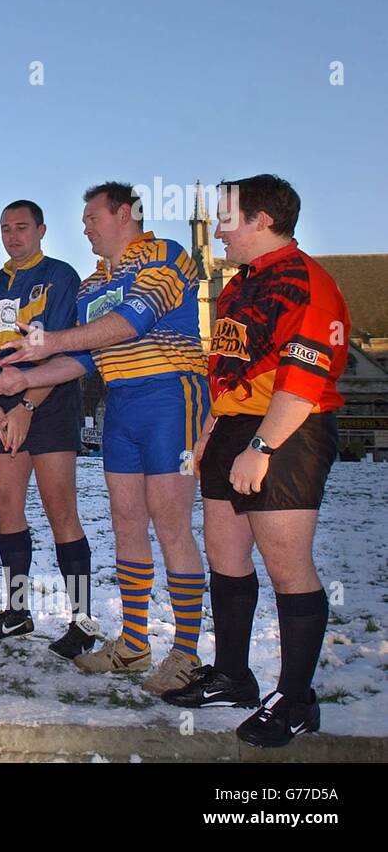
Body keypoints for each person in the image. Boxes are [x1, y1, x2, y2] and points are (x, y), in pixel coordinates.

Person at [0, 182, 209, 694]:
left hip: (171, 397)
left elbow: (131, 323)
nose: (84, 226)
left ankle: (186, 653)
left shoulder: (165, 257)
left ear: (126, 214)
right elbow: (84, 358)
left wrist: (48, 339)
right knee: (126, 521)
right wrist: (26, 378)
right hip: (122, 404)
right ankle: (133, 644)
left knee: (171, 522)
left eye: (92, 217)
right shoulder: (90, 286)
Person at [162, 175, 348, 748]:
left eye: (227, 218)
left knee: (286, 563)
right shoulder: (241, 284)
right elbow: (233, 369)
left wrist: (262, 447)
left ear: (262, 219)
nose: (216, 229)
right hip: (234, 426)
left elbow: (305, 378)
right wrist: (211, 432)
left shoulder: (305, 282)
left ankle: (297, 701)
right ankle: (234, 675)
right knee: (225, 550)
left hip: (289, 428)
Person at [0, 201, 97, 655]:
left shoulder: (60, 278)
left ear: (41, 230)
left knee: (61, 510)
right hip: (2, 409)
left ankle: (83, 619)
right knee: (6, 508)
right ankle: (17, 611)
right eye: (5, 229)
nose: (13, 236)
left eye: (21, 227)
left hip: (49, 404)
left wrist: (27, 406)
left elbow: (62, 352)